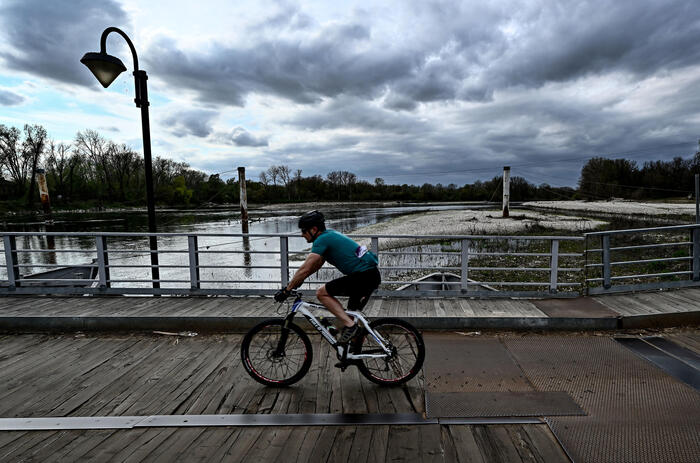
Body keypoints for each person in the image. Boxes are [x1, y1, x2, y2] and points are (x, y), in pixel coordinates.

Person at [274, 210, 381, 344]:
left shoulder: (322, 239)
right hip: (370, 275)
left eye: (304, 231)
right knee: (350, 316)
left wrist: (287, 290)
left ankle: (352, 328)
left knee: (321, 293)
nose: (302, 235)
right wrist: (298, 281)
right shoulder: (329, 235)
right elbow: (316, 265)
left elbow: (305, 267)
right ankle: (353, 354)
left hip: (363, 276)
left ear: (314, 229)